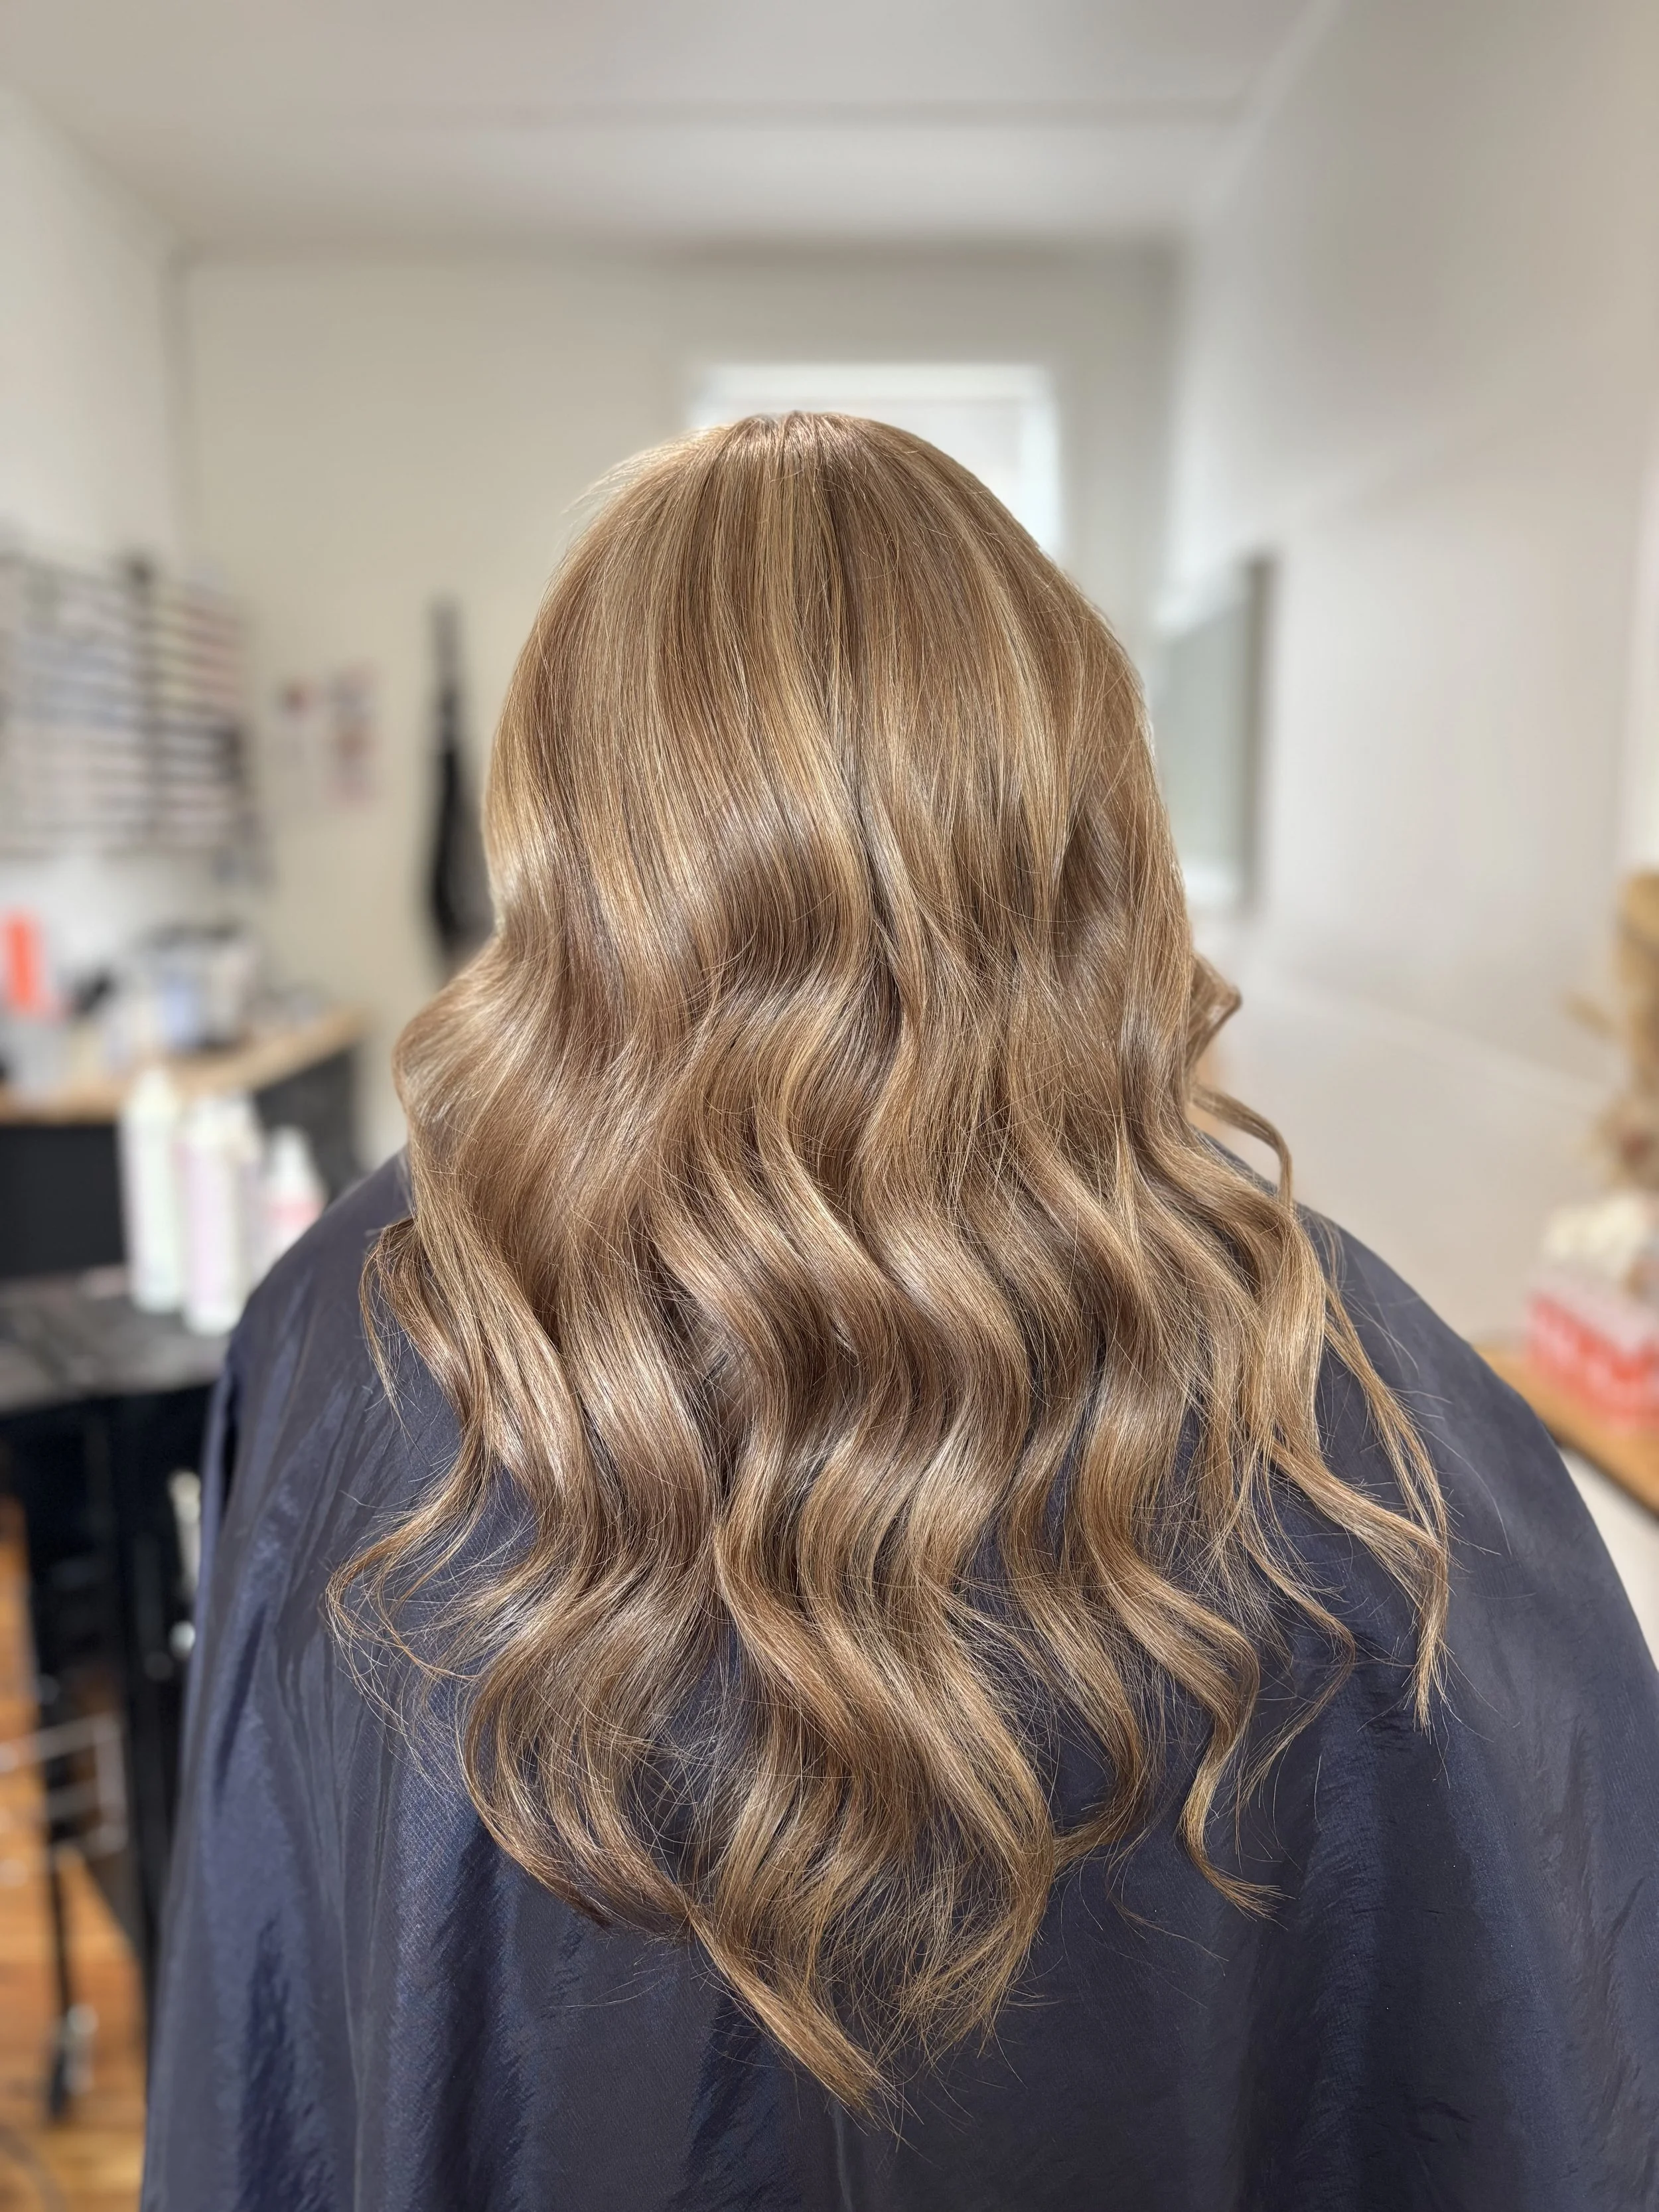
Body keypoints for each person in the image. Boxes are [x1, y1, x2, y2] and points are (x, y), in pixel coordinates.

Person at [143, 415, 1659, 2211]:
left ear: (571, 827)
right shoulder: (1354, 1374)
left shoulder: (354, 1327)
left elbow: (281, 2029)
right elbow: (1542, 2033)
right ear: (1080, 805)